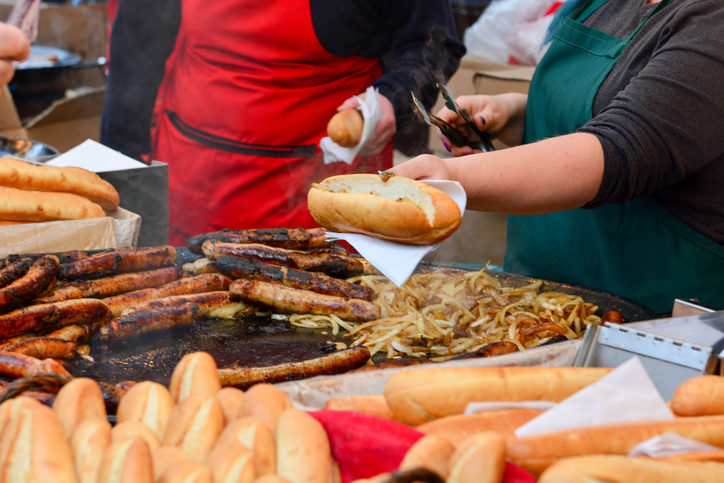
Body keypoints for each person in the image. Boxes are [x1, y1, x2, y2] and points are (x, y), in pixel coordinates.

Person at [391, 0, 724, 313]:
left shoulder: (714, 22)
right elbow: (599, 113)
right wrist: (513, 113)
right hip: (538, 300)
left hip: (646, 319)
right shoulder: (607, 5)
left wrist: (448, 178)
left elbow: (619, 152)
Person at [101, 0, 465, 246]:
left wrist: (392, 100)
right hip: (193, 190)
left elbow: (433, 44)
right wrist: (123, 192)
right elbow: (134, 60)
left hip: (329, 199)